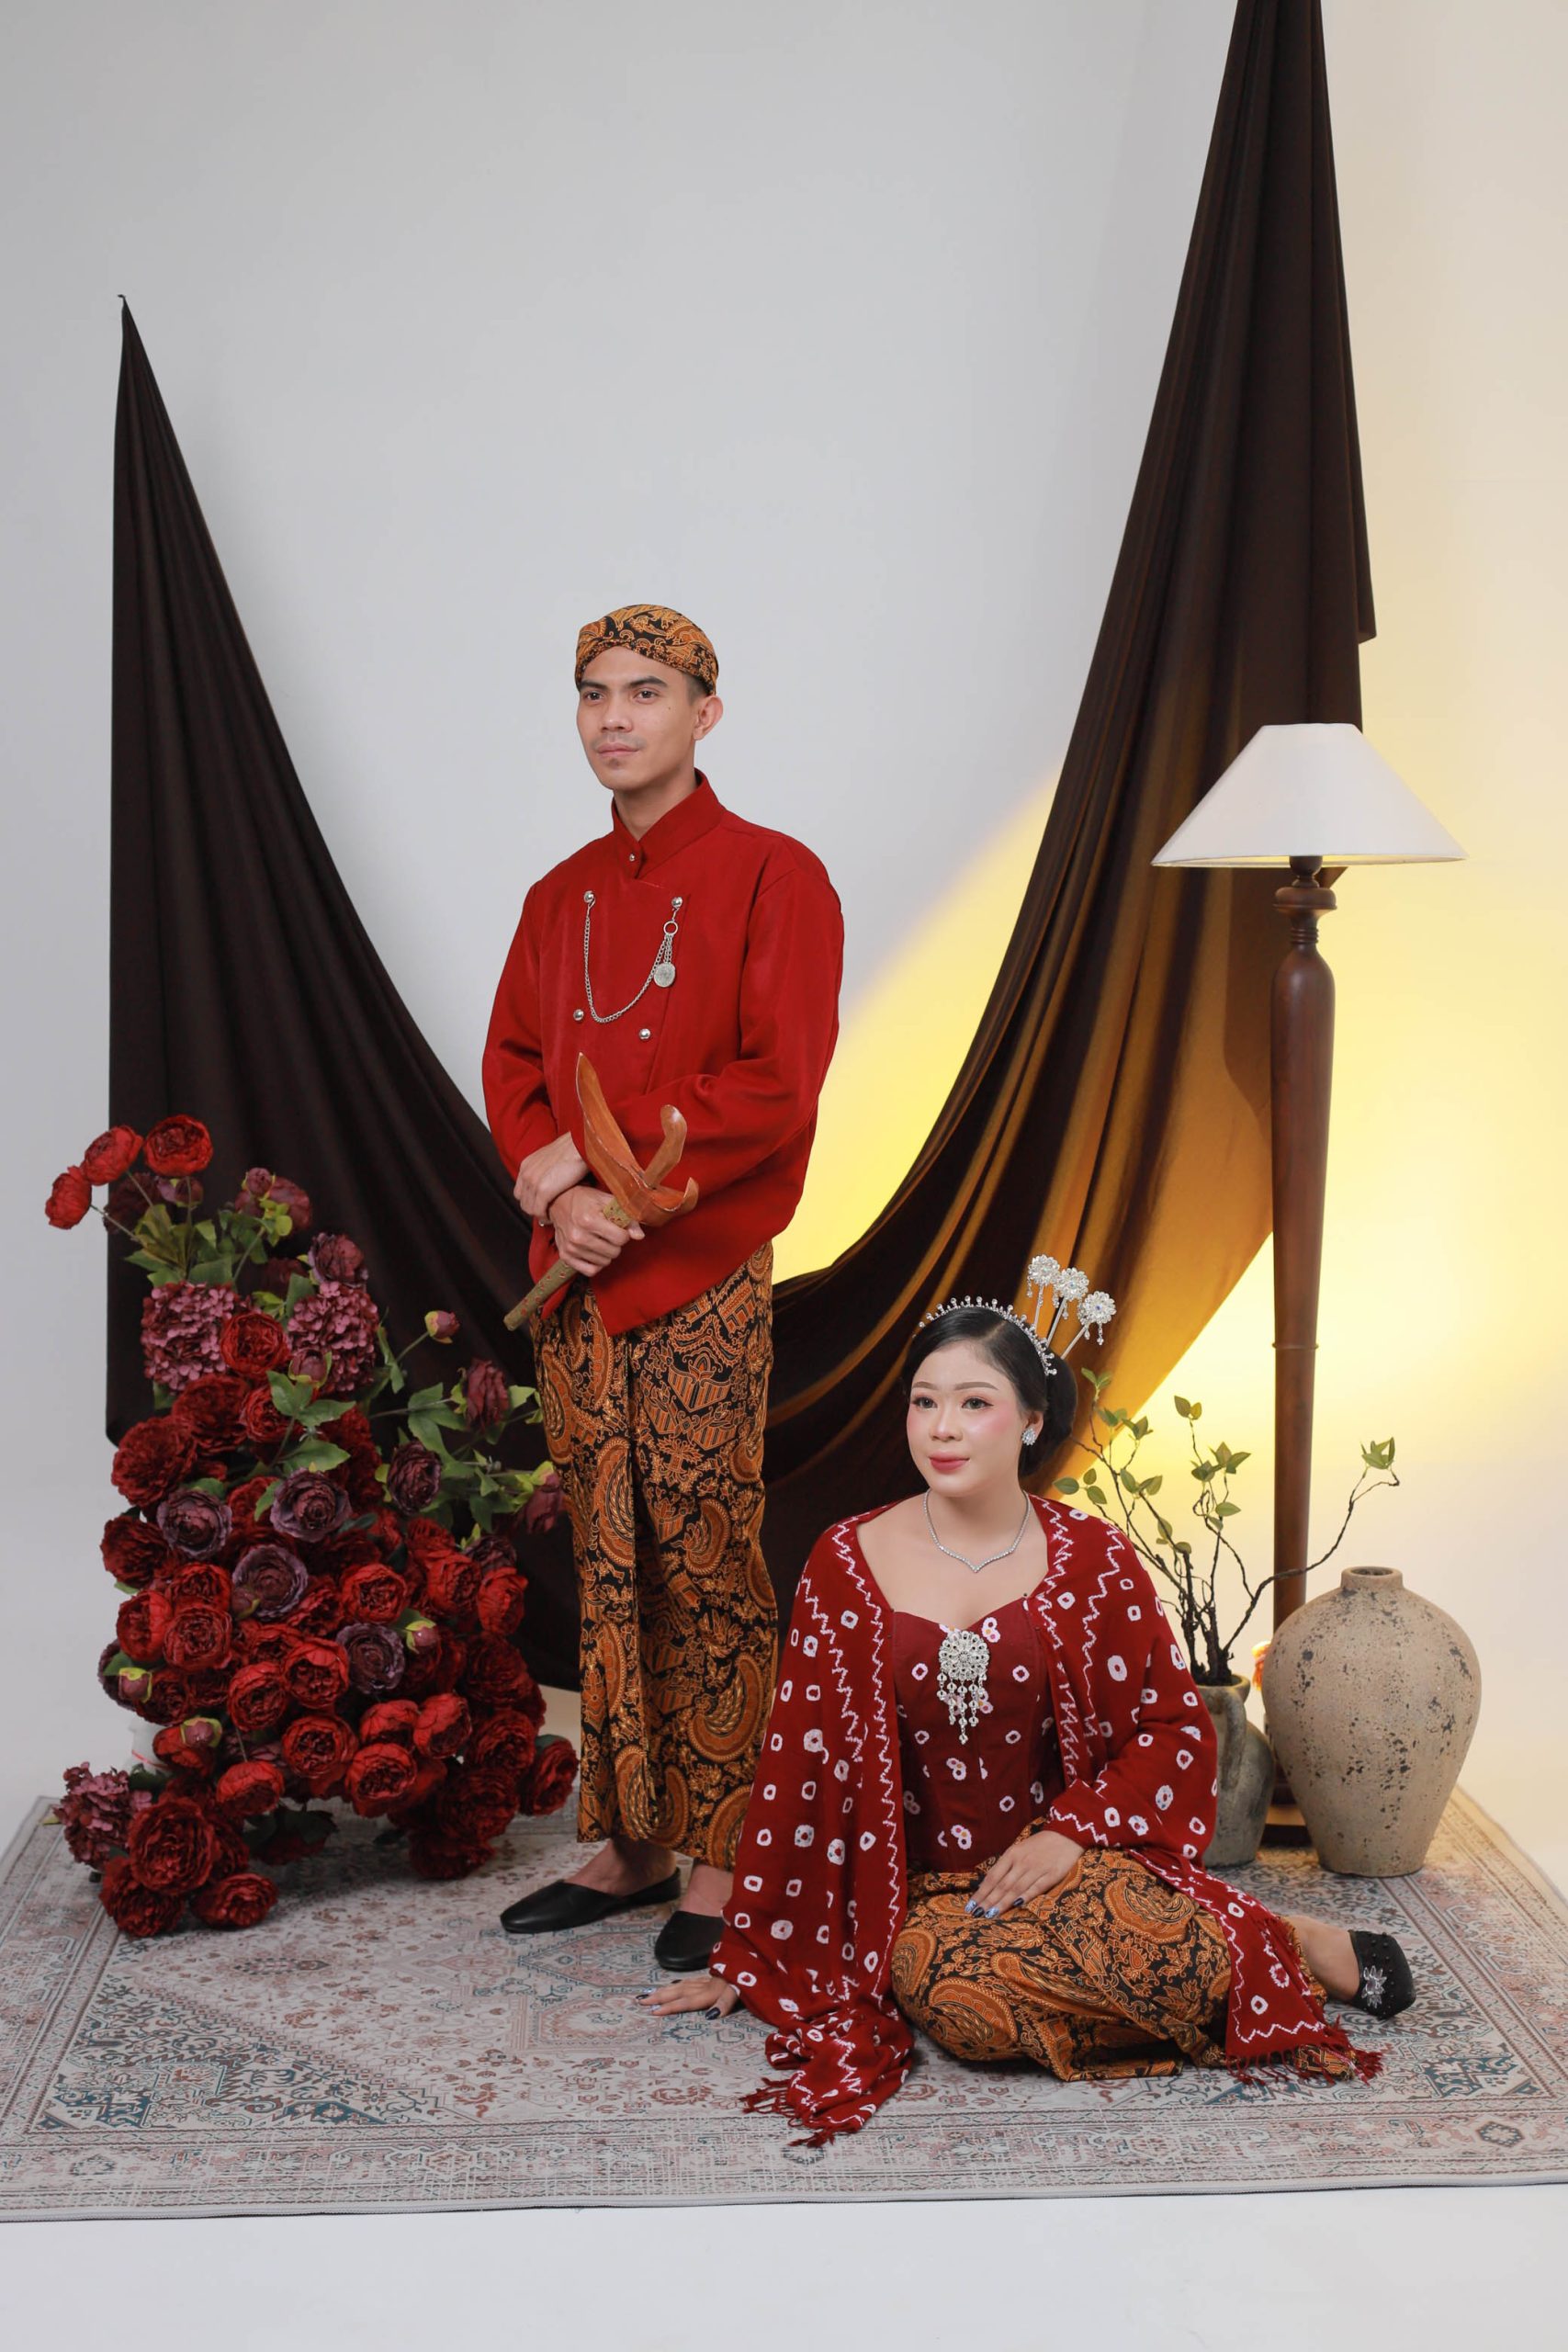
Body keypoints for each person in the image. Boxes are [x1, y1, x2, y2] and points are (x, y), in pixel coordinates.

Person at [640, 1295, 1415, 2143]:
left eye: (974, 1402)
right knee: (959, 2007)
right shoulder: (844, 1558)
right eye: (924, 1401)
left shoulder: (1093, 1558)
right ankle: (1256, 1948)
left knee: (1142, 1935)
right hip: (922, 1892)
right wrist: (755, 1948)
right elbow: (800, 1764)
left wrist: (1068, 1834)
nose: (942, 1428)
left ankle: (1270, 1944)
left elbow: (1172, 1731)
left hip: (1073, 1858)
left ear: (1032, 1421)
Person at [483, 603, 843, 1970]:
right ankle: (630, 1836)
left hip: (696, 1274)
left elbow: (773, 1084)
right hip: (577, 1280)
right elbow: (514, 1067)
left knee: (702, 1553)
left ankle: (726, 1853)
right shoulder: (558, 895)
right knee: (605, 1556)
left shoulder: (775, 876)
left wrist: (601, 1152)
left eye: (645, 691)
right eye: (593, 693)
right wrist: (558, 1194)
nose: (614, 716)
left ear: (706, 712)